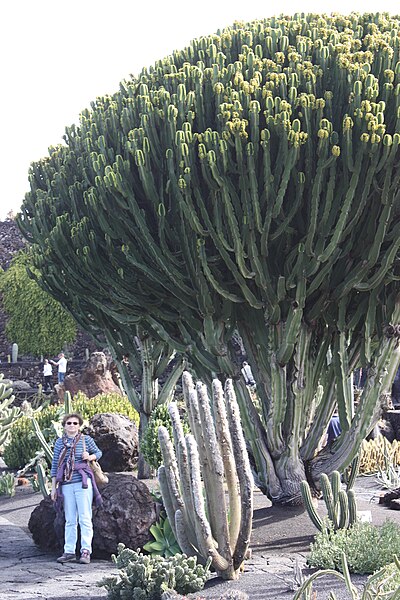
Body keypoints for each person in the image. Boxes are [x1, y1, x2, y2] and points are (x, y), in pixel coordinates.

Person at [50, 413, 103, 564]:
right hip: (66, 484)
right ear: (64, 426)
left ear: (79, 425)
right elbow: (55, 465)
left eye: (74, 423)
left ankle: (86, 551)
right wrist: (54, 488)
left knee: (85, 518)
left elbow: (99, 452)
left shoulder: (86, 440)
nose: (72, 425)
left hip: (83, 483)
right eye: (69, 423)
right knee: (70, 519)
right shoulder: (60, 443)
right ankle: (69, 551)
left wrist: (90, 457)